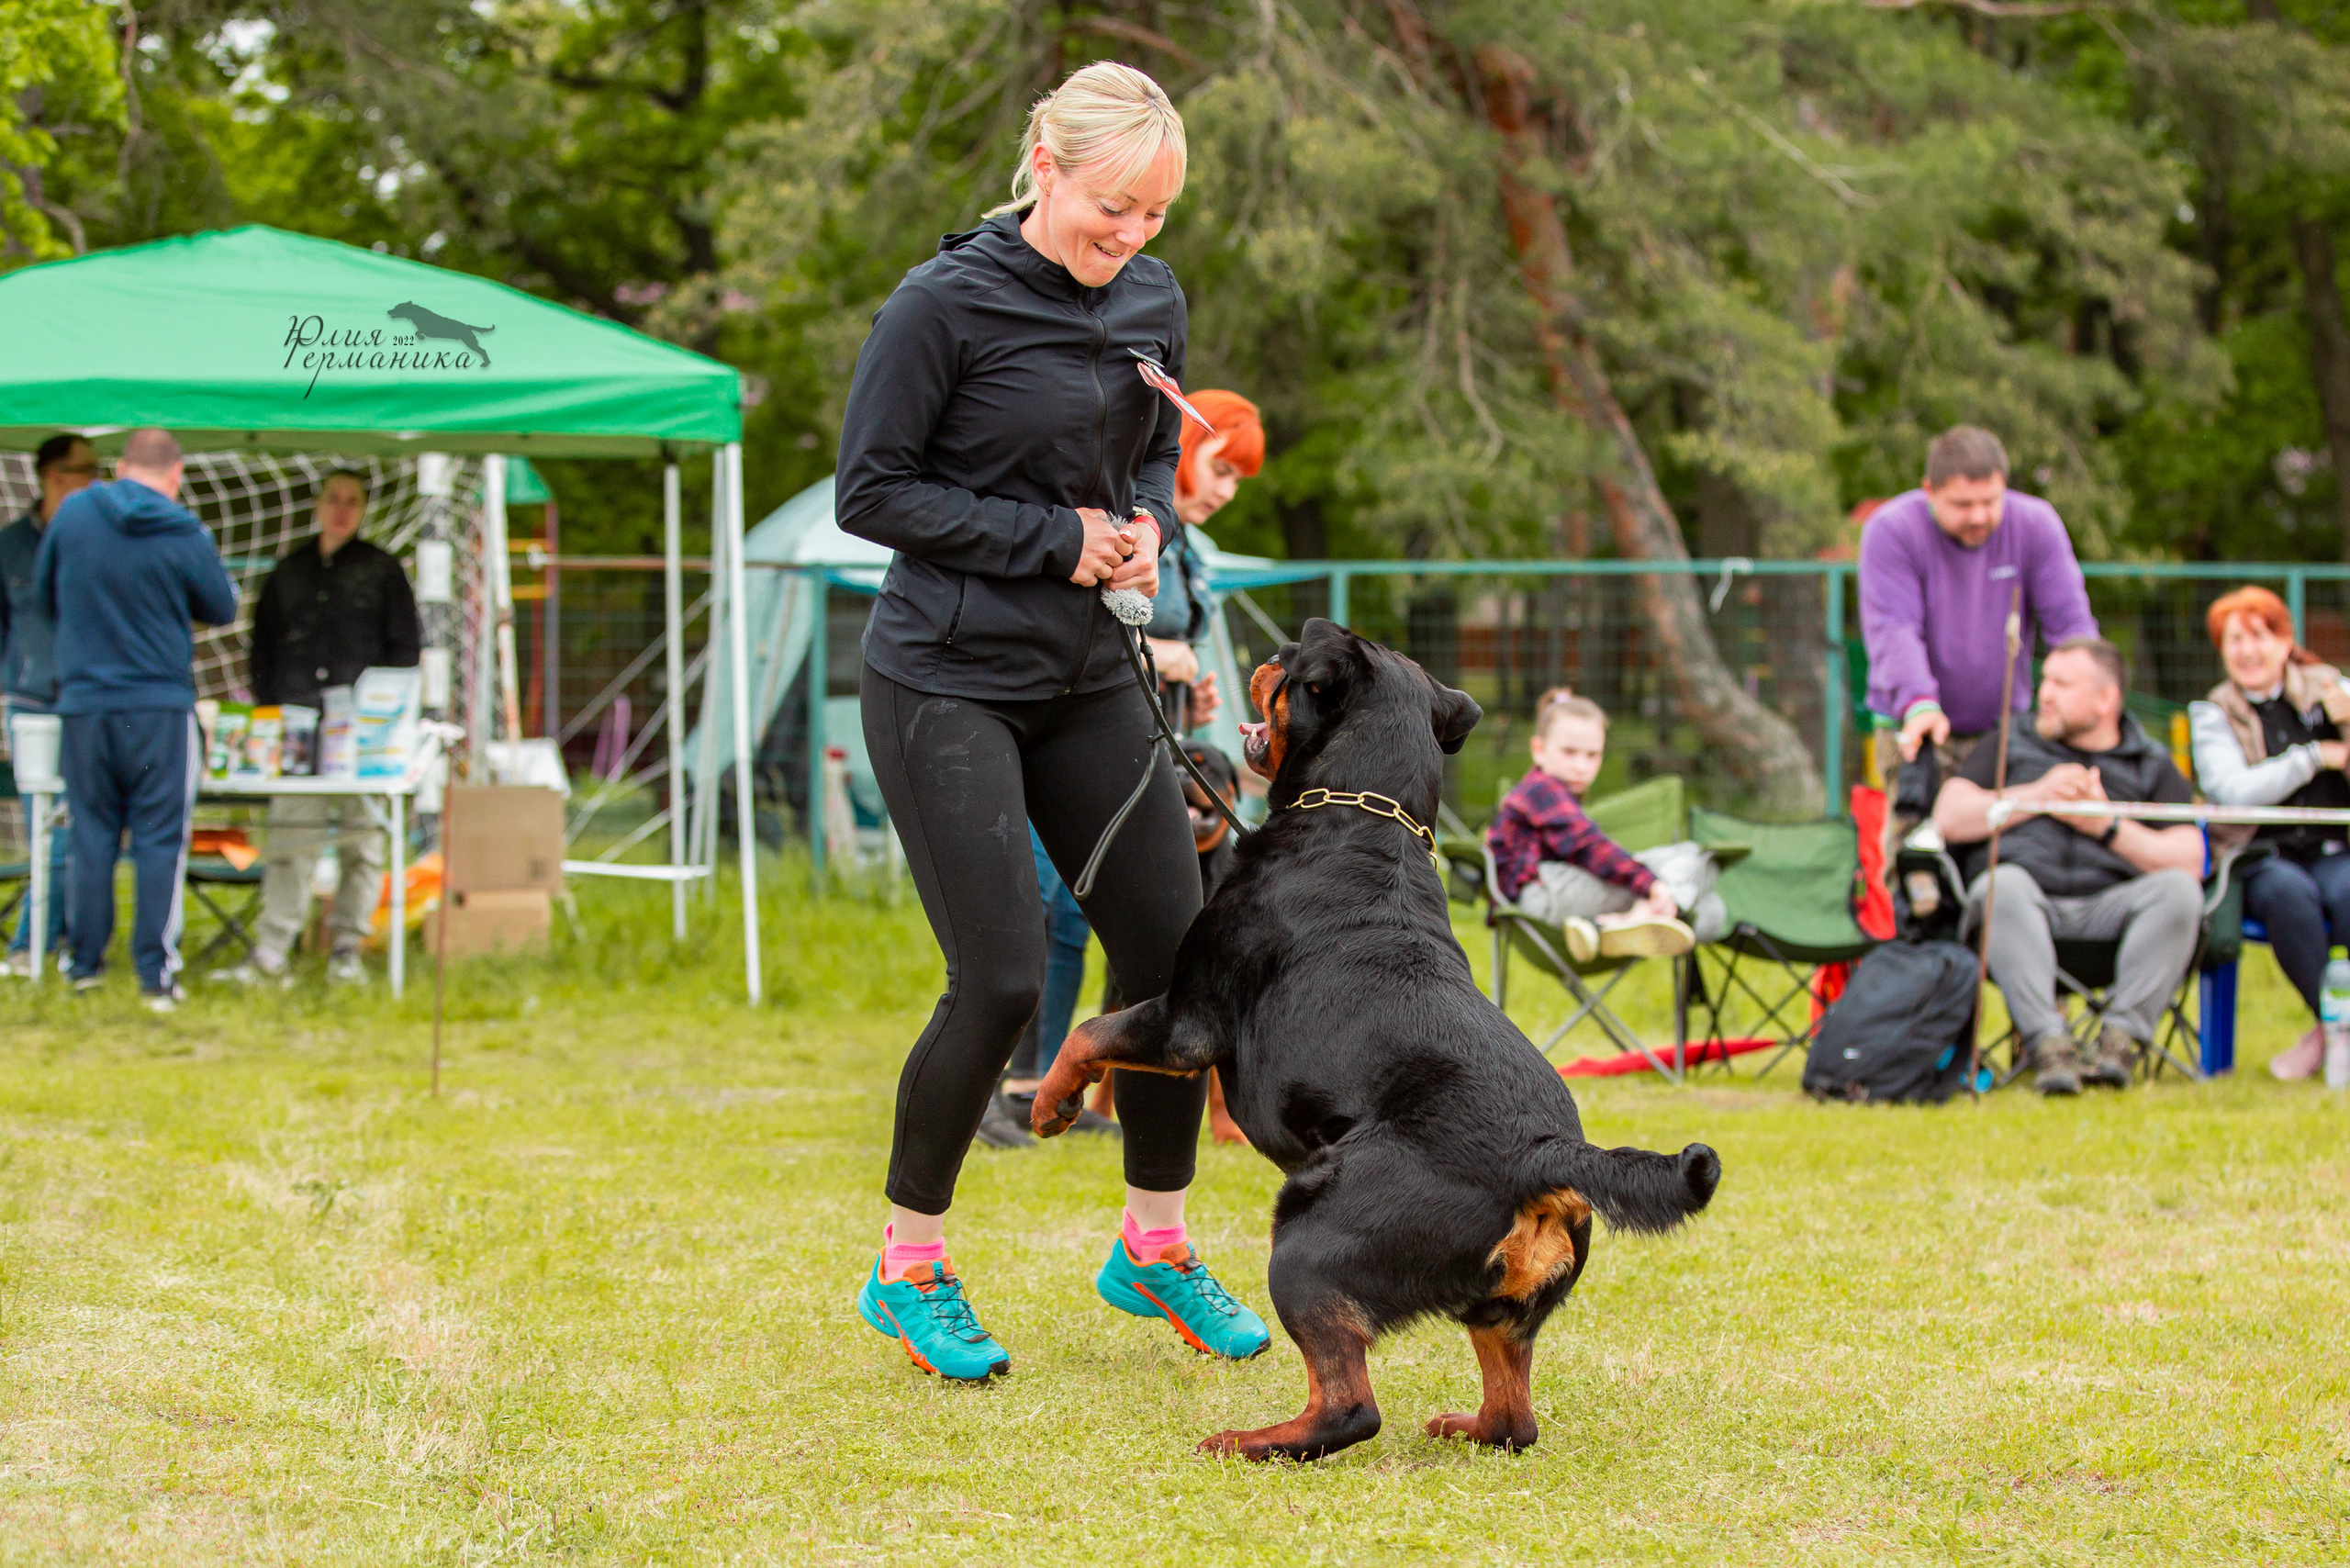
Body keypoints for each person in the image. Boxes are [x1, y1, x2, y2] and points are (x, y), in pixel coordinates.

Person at [834, 62, 1270, 1382]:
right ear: (1046, 158)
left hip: (1089, 674)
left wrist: (1137, 526)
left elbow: (1145, 445)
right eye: (1112, 204)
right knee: (1008, 977)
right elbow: (872, 492)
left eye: (1154, 214)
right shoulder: (941, 304)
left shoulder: (1151, 298)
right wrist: (1053, 539)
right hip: (944, 677)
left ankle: (1153, 1247)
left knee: (1174, 965)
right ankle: (909, 1270)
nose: (1131, 236)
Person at [990, 389, 1266, 1147]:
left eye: (1240, 479)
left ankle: (1054, 1085)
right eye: (1222, 467)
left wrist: (1186, 680)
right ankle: (1011, 1090)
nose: (1225, 487)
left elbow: (1159, 643)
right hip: (1069, 735)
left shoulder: (1191, 553)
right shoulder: (1115, 518)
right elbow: (1086, 624)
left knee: (1092, 919)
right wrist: (1160, 655)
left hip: (1144, 742)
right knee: (1045, 914)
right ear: (1182, 444)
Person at [1932, 638, 2203, 1095]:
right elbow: (1949, 816)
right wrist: (2035, 795)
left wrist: (2108, 826)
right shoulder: (2010, 742)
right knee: (2006, 883)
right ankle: (2049, 1046)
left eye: (2062, 683)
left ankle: (2119, 1045)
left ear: (2106, 698)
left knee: (2179, 891)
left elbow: (2191, 858)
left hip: (2112, 919)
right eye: (2045, 681)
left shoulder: (2150, 762)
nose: (2046, 694)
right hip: (2019, 916)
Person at [35, 429, 240, 1010]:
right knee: (158, 839)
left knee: (90, 834)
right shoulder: (185, 530)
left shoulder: (73, 515)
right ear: (176, 475)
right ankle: (155, 976)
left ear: (121, 467)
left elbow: (48, 597)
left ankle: (84, 967)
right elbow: (222, 608)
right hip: (158, 709)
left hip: (85, 706)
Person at [1861, 426, 2098, 857]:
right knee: (1912, 859)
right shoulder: (1892, 530)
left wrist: (2091, 702)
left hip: (2004, 728)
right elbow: (1894, 630)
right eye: (1962, 504)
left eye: (1990, 502)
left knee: (2002, 850)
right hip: (1918, 729)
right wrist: (1919, 702)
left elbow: (2072, 628)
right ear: (1929, 490)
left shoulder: (2035, 525)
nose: (1979, 517)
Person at [225, 468, 420, 986]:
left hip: (365, 735)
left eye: (352, 501)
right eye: (333, 498)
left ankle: (348, 948)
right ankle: (272, 951)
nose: (341, 509)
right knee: (292, 839)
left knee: (365, 841)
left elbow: (406, 650)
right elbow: (260, 651)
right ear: (318, 504)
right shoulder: (288, 571)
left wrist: (386, 718)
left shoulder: (383, 571)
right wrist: (275, 711)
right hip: (297, 727)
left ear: (362, 509)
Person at [2188, 587, 2350, 1081]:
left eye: (2259, 636)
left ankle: (2332, 1033)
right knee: (2288, 895)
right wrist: (2315, 757)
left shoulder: (2335, 691)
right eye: (2234, 639)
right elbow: (2233, 792)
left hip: (2334, 849)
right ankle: (2333, 1022)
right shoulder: (2213, 712)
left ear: (2285, 641)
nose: (2248, 651)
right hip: (2261, 856)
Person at [1485, 689, 1710, 963]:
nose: (1581, 766)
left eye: (1593, 755)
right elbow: (1590, 847)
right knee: (1699, 860)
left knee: (1711, 904)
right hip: (1540, 898)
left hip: (1547, 895)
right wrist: (1652, 886)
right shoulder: (1541, 790)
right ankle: (1629, 921)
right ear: (1539, 750)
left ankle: (1626, 921)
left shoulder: (1547, 789)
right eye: (1569, 752)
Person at [0, 432, 99, 973]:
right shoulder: (10, 544)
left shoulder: (98, 536)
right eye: (87, 469)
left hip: (88, 699)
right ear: (54, 476)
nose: (96, 477)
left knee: (76, 824)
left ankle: (37, 945)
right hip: (30, 702)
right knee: (48, 822)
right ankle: (36, 943)